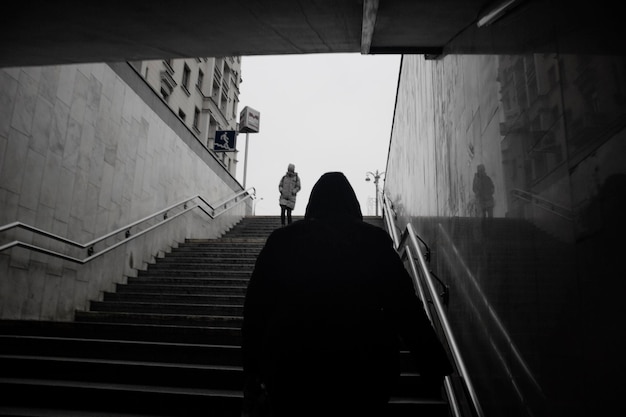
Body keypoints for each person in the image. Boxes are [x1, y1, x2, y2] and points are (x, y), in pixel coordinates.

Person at [242, 172, 453, 417]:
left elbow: (256, 310)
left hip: (293, 369)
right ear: (352, 204)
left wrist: (251, 374)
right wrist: (433, 363)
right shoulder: (373, 241)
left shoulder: (282, 241)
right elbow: (404, 305)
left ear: (312, 203)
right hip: (364, 370)